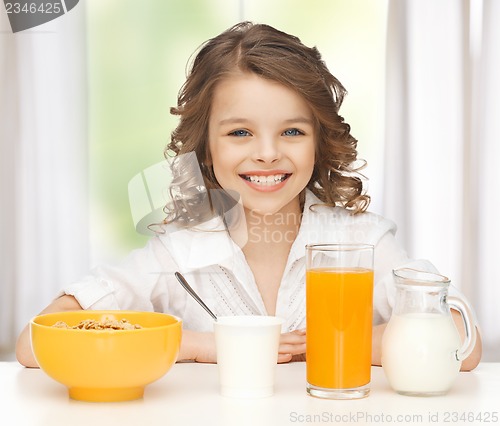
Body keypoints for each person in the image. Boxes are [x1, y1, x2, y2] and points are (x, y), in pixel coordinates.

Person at [16, 21, 482, 369]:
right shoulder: (177, 253)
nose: (267, 153)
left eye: (292, 131)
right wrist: (203, 346)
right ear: (206, 146)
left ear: (319, 140)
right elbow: (36, 343)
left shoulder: (364, 244)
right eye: (240, 132)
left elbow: (464, 343)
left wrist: (341, 340)